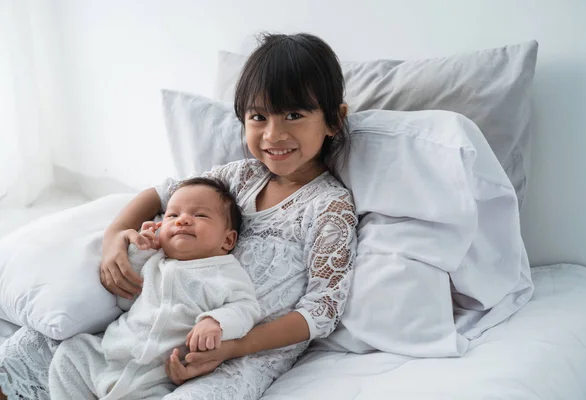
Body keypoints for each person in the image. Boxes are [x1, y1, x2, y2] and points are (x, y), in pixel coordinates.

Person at [0, 32, 358, 400]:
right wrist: (116, 235)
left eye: (294, 115)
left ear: (333, 120)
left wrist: (232, 347)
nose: (273, 133)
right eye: (258, 116)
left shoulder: (329, 207)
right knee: (37, 348)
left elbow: (320, 311)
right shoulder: (240, 177)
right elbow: (162, 192)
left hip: (244, 353)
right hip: (158, 327)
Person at [48, 177, 261, 399]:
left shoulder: (226, 273)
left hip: (158, 376)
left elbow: (246, 307)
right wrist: (140, 251)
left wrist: (216, 322)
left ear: (227, 240)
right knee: (71, 353)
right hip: (111, 355)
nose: (183, 221)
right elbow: (125, 300)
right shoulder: (155, 261)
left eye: (199, 215)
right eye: (173, 215)